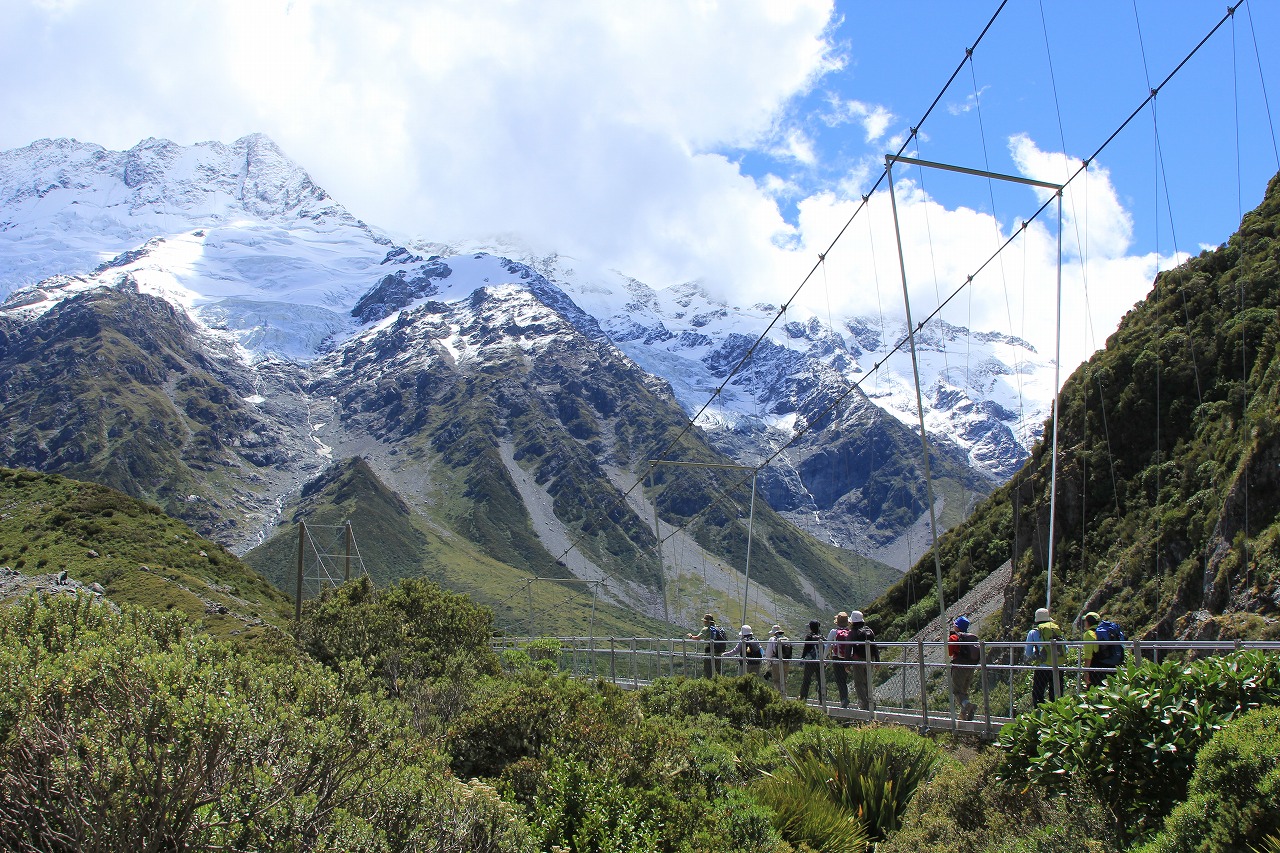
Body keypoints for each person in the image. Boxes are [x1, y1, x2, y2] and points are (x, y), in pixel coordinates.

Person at [1024, 607, 1064, 706]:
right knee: (1056, 693)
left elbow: (1028, 653)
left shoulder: (1033, 632)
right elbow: (1065, 648)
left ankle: (1040, 715)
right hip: (1058, 665)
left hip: (1043, 666)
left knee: (1038, 693)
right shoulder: (1056, 629)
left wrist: (1035, 654)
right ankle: (1057, 715)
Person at [947, 615, 979, 721]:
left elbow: (950, 652)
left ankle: (968, 706)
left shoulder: (955, 637)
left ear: (957, 626)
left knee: (956, 691)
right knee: (964, 692)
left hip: (959, 666)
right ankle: (964, 716)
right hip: (971, 667)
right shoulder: (970, 637)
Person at [846, 610, 878, 711]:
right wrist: (877, 661)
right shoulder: (869, 630)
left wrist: (846, 664)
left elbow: (848, 648)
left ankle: (864, 705)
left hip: (858, 660)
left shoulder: (852, 633)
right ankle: (871, 702)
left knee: (859, 683)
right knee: (868, 681)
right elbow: (875, 646)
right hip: (870, 659)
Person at [826, 611, 853, 708]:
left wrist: (823, 658)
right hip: (847, 658)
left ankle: (844, 699)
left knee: (839, 679)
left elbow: (827, 645)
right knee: (844, 678)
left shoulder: (834, 632)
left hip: (836, 658)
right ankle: (845, 698)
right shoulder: (850, 633)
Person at [687, 613, 724, 678]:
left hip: (709, 652)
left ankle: (709, 683)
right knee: (717, 670)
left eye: (704, 620)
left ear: (706, 621)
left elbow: (698, 638)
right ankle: (717, 683)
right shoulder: (717, 628)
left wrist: (691, 636)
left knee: (708, 670)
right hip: (718, 652)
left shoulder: (706, 629)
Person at [798, 619, 826, 703]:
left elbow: (806, 649)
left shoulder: (809, 637)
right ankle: (822, 698)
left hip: (810, 662)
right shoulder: (821, 637)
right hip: (820, 661)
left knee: (806, 680)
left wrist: (802, 658)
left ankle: (803, 697)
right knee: (821, 680)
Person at [764, 624, 791, 696]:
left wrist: (768, 663)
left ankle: (779, 696)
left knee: (777, 680)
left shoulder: (772, 639)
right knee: (784, 680)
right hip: (786, 662)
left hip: (776, 663)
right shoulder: (786, 639)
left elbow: (769, 653)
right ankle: (784, 695)